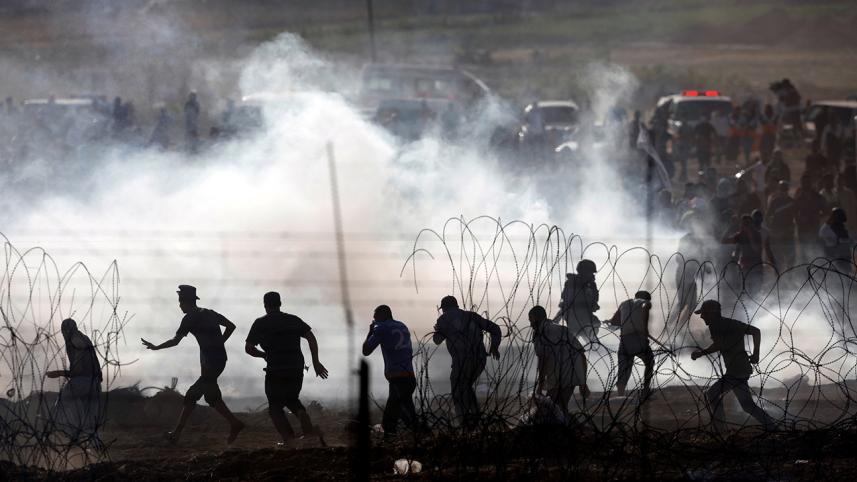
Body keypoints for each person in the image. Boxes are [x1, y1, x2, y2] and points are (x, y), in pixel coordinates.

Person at [141, 285, 244, 444]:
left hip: (211, 362)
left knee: (191, 395)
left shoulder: (189, 318)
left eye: (180, 302)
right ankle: (235, 423)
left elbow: (175, 341)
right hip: (218, 359)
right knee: (211, 397)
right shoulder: (209, 312)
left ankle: (176, 434)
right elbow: (231, 326)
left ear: (185, 301)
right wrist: (220, 342)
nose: (179, 305)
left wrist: (156, 347)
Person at [245, 292, 328, 445]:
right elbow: (310, 336)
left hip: (275, 369)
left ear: (265, 305)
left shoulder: (260, 323)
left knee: (275, 408)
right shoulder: (292, 319)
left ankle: (289, 439)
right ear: (280, 303)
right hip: (296, 368)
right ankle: (305, 423)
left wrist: (263, 355)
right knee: (291, 398)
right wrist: (316, 362)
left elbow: (249, 348)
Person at [690, 300, 776, 430]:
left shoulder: (716, 325)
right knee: (747, 405)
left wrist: (701, 353)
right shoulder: (730, 323)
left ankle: (720, 428)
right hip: (739, 368)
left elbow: (719, 344)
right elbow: (755, 331)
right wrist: (756, 354)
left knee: (712, 393)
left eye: (704, 313)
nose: (702, 317)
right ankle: (771, 426)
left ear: (712, 313)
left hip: (736, 370)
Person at [432, 295, 501, 428]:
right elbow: (495, 328)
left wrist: (438, 330)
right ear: (457, 306)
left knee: (458, 389)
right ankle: (475, 419)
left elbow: (437, 340)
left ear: (444, 308)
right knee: (466, 387)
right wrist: (494, 346)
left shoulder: (444, 318)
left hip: (462, 361)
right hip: (480, 359)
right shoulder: (472, 316)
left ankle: (465, 423)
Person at [362, 305, 418, 438]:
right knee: (407, 414)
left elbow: (366, 351)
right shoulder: (402, 326)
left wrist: (370, 331)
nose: (374, 321)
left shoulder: (381, 329)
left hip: (397, 378)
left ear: (382, 316)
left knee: (390, 417)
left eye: (375, 318)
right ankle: (422, 436)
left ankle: (388, 440)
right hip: (409, 375)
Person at [46, 318, 103, 440]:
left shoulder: (74, 339)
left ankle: (71, 436)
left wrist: (59, 373)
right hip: (96, 383)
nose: (63, 335)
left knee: (63, 404)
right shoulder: (84, 338)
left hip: (83, 382)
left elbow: (78, 370)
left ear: (67, 330)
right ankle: (95, 448)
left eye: (63, 332)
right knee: (90, 419)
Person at [529, 305, 588, 417]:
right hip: (571, 376)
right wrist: (583, 382)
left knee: (555, 411)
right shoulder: (562, 329)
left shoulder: (541, 334)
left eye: (531, 320)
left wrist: (540, 386)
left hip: (558, 379)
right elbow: (581, 355)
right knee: (558, 409)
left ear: (537, 318)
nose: (530, 324)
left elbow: (543, 361)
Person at [608, 291, 654, 398]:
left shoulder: (624, 304)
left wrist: (609, 321)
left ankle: (620, 394)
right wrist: (645, 328)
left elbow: (614, 321)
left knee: (624, 368)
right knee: (650, 361)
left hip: (625, 339)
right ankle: (646, 390)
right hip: (638, 338)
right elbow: (645, 307)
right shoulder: (645, 302)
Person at [558, 259, 601, 343]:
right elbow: (566, 299)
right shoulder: (572, 283)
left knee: (594, 328)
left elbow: (594, 299)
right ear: (584, 272)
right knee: (578, 340)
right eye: (590, 272)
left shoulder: (591, 284)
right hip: (574, 317)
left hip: (585, 317)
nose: (592, 274)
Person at [794, 174, 828, 262]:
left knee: (816, 254)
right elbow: (794, 213)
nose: (806, 184)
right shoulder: (798, 198)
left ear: (811, 183)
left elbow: (826, 211)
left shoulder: (818, 197)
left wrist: (818, 216)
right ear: (801, 184)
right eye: (804, 182)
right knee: (804, 256)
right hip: (803, 230)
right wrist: (799, 219)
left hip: (815, 229)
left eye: (808, 182)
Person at [766, 180, 796, 269]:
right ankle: (779, 275)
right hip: (777, 233)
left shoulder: (791, 201)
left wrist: (792, 227)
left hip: (788, 233)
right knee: (778, 257)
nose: (783, 191)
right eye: (782, 189)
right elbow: (768, 216)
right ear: (779, 190)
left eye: (785, 189)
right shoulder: (775, 202)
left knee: (790, 257)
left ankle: (790, 276)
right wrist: (773, 229)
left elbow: (796, 216)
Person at [819, 208, 854, 274]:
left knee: (846, 274)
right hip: (835, 257)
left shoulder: (843, 228)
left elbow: (851, 240)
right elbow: (829, 243)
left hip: (845, 257)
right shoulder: (826, 229)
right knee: (836, 275)